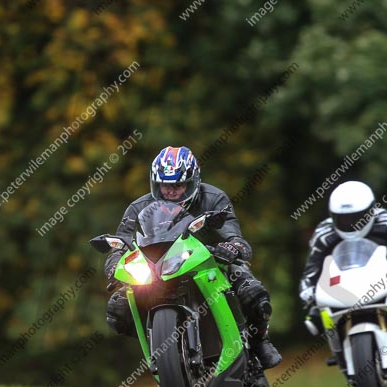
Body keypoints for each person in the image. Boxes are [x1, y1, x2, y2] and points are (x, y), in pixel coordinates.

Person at [104, 146, 282, 369]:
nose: (171, 191)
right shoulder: (138, 207)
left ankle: (259, 341)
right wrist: (114, 265)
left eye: (178, 185)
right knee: (118, 307)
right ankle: (162, 348)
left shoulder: (214, 198)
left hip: (211, 260)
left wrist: (233, 246)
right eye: (165, 185)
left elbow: (232, 233)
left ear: (193, 181)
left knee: (252, 291)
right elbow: (121, 243)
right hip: (157, 268)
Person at [298, 180, 387, 366]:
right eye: (343, 219)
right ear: (332, 216)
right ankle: (339, 351)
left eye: (357, 217)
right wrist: (307, 290)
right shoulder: (324, 233)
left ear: (371, 211)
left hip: (384, 272)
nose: (351, 225)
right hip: (342, 282)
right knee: (314, 311)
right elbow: (311, 270)